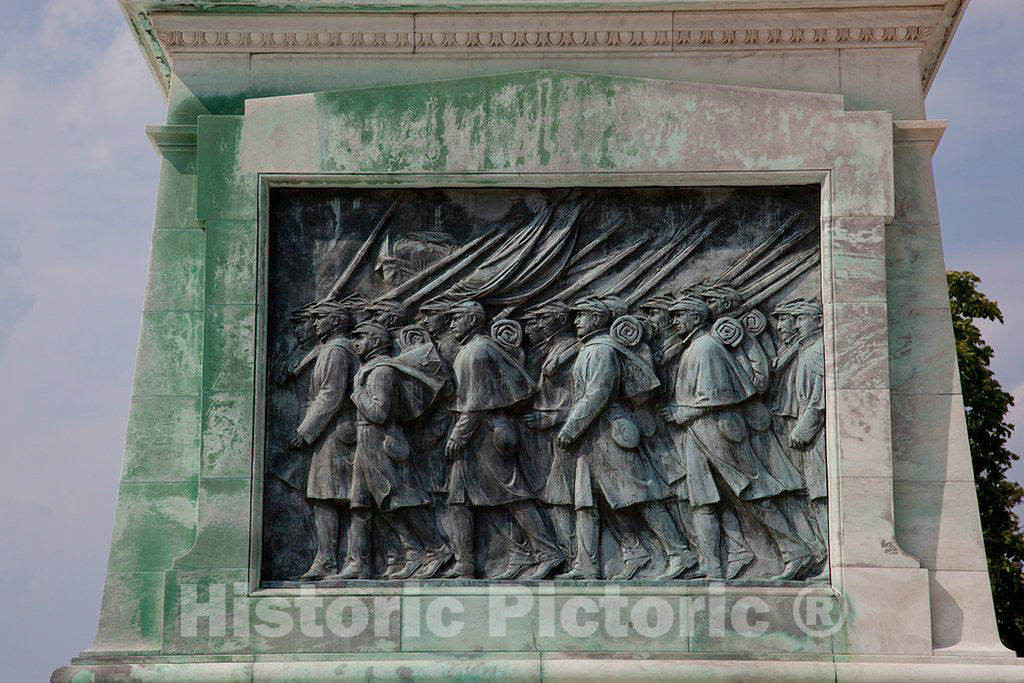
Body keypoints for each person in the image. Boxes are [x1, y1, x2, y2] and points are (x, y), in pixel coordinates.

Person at [660, 297, 813, 580]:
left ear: (695, 318)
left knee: (751, 492)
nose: (673, 321)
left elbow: (718, 396)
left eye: (678, 315)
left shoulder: (706, 348)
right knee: (702, 500)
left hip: (717, 430)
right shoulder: (695, 347)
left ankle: (796, 551)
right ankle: (710, 566)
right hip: (698, 432)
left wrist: (683, 413)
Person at [556, 297, 698, 581]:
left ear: (597, 319)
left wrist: (570, 429)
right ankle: (590, 563)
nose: (576, 321)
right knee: (587, 501)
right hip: (591, 436)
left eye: (582, 315)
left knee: (642, 494)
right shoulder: (590, 349)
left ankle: (680, 552)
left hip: (609, 431)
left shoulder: (601, 351)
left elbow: (597, 395)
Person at [445, 300, 564, 580]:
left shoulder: (477, 350)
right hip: (477, 432)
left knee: (512, 495)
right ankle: (470, 563)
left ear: (471, 319)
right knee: (460, 499)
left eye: (456, 318)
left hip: (485, 433)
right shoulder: (469, 349)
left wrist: (458, 436)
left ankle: (548, 552)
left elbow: (476, 403)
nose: (451, 324)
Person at [338, 321, 452, 580]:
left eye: (361, 338)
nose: (356, 343)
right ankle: (408, 554)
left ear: (377, 342)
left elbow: (379, 413)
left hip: (381, 441)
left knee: (403, 500)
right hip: (367, 440)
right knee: (368, 504)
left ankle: (437, 549)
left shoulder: (381, 372)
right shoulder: (368, 369)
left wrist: (357, 394)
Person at [287, 300, 359, 581]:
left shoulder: (336, 351)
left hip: (335, 433)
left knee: (328, 496)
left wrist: (304, 432)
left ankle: (329, 561)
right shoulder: (331, 349)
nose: (316, 323)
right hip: (334, 432)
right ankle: (331, 559)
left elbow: (330, 395)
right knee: (328, 495)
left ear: (337, 322)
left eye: (322, 318)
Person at [522, 301, 580, 564]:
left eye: (542, 320)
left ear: (558, 321)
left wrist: (550, 418)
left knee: (563, 497)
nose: (535, 326)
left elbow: (579, 397)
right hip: (553, 435)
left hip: (570, 435)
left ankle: (571, 558)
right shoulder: (554, 349)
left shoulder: (570, 351)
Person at [773, 299, 827, 562]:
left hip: (812, 434)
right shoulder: (805, 350)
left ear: (818, 320)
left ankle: (828, 554)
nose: (795, 325)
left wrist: (802, 430)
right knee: (812, 493)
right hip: (801, 429)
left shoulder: (818, 351)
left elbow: (819, 399)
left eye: (801, 318)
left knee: (820, 494)